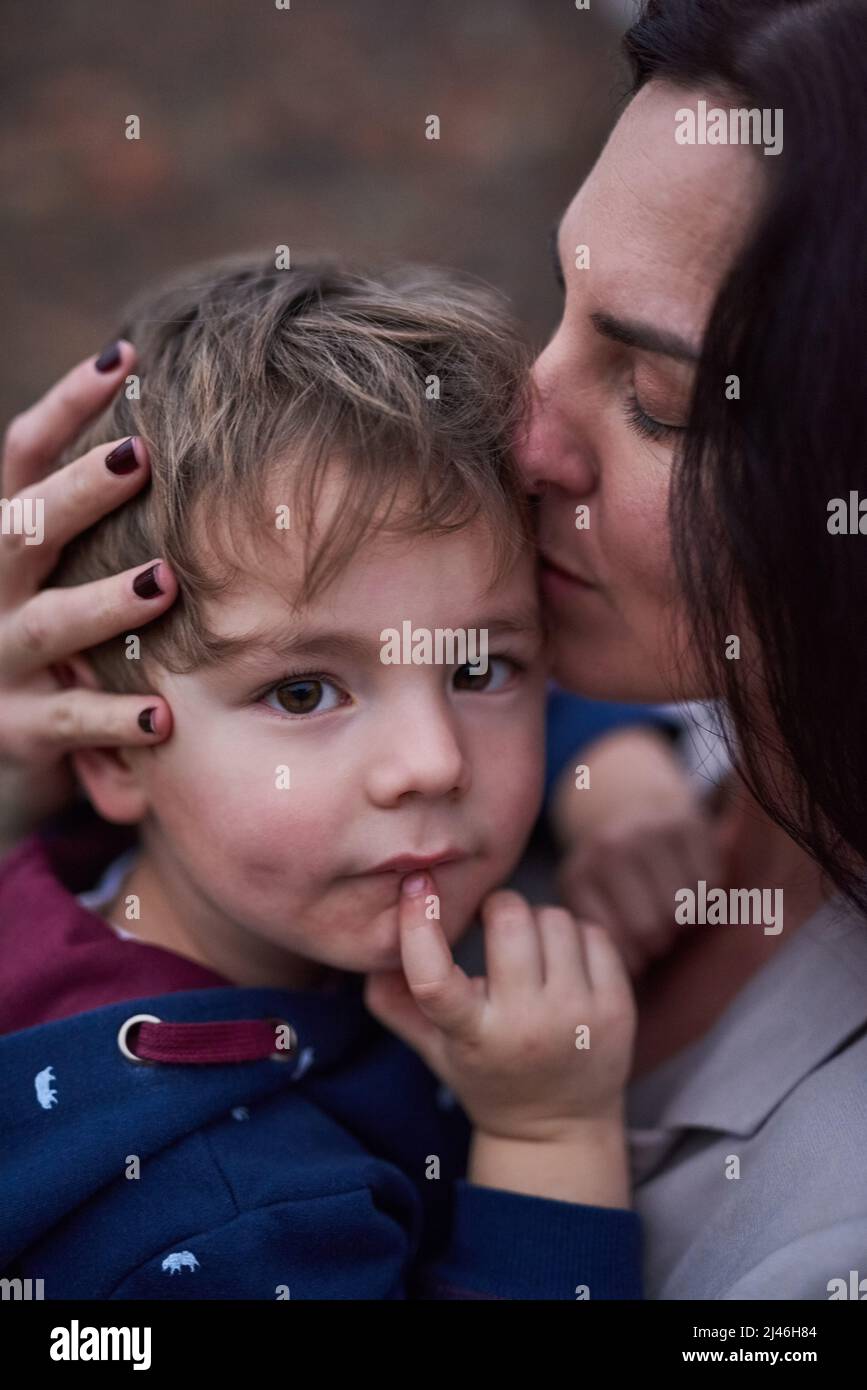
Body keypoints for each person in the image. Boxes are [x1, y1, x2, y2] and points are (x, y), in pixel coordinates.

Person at [0, 252, 648, 1299]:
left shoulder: (70, 893)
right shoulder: (247, 1226)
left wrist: (614, 759)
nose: (433, 763)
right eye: (304, 695)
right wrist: (549, 1133)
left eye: (479, 668)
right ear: (112, 744)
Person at [518, 0, 867, 1296]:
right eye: (557, 300)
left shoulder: (823, 1248)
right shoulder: (671, 696)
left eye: (658, 402)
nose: (519, 436)